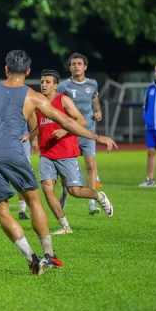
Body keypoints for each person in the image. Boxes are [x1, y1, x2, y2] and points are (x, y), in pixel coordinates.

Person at [0, 50, 117, 275]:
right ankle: (49, 254)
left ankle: (31, 258)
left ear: (6, 69)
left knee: (2, 210)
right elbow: (66, 121)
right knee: (34, 201)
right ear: (28, 71)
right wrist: (97, 137)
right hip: (13, 152)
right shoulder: (33, 96)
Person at [33, 69, 114, 235]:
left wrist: (64, 131)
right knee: (47, 188)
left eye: (48, 82)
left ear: (56, 85)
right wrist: (31, 137)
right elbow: (37, 125)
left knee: (74, 191)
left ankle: (98, 197)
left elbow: (81, 121)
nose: (44, 85)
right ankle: (65, 226)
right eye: (42, 82)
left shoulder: (63, 100)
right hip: (46, 153)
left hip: (66, 152)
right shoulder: (38, 103)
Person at [58, 52, 103, 215]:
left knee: (91, 166)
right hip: (70, 133)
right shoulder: (63, 86)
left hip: (88, 132)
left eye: (79, 63)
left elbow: (95, 101)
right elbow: (58, 106)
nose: (76, 66)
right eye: (73, 64)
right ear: (69, 67)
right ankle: (65, 192)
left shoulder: (93, 84)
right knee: (66, 169)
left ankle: (92, 201)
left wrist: (98, 111)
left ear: (85, 67)